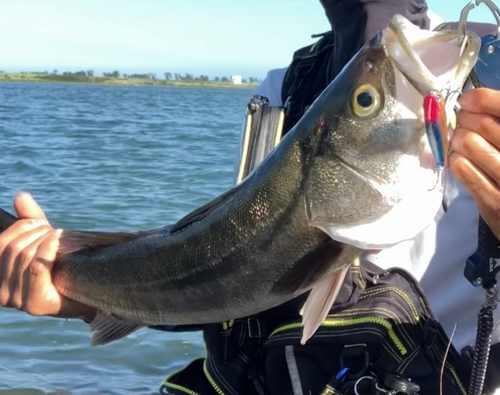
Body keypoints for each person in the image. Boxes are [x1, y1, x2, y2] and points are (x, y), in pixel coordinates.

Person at [1, 0, 500, 393]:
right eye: (366, 99)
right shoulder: (286, 88)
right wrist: (79, 294)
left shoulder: (469, 76)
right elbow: (235, 276)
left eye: (365, 100)